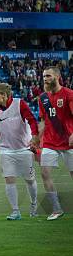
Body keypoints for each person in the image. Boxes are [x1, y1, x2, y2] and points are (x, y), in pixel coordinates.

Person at [0, 83, 39, 220]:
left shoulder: (19, 104)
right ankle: (15, 211)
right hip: (5, 150)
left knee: (30, 180)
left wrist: (34, 138)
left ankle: (33, 204)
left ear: (4, 95)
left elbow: (32, 121)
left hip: (24, 148)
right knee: (9, 179)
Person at [31, 66, 73, 221]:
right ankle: (56, 209)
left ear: (57, 76)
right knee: (44, 173)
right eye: (43, 76)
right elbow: (42, 122)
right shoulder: (43, 98)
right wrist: (36, 139)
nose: (45, 79)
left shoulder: (69, 94)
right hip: (49, 142)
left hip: (69, 142)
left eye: (48, 76)